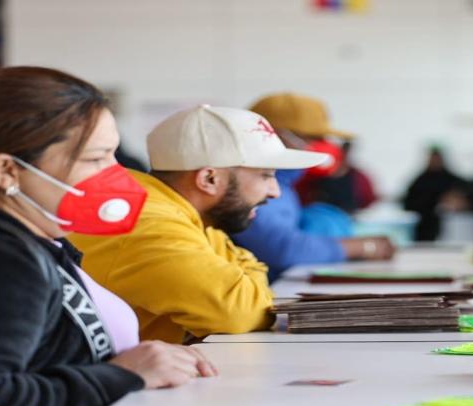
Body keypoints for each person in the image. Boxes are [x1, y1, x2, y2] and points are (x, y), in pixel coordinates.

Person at [0, 67, 215, 406]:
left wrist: (143, 360)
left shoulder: (37, 239)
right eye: (96, 158)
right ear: (7, 170)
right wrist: (123, 375)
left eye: (113, 155)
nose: (117, 175)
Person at [69, 105, 328, 344]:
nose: (275, 192)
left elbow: (248, 280)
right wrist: (248, 282)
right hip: (117, 390)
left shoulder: (190, 215)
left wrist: (248, 282)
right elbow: (239, 314)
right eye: (266, 176)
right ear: (209, 178)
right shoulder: (146, 222)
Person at [231, 93, 395, 280]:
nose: (322, 146)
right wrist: (363, 247)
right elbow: (282, 248)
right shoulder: (249, 184)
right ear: (274, 135)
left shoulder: (284, 184)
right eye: (312, 138)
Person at [402, 145, 469, 241]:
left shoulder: (452, 180)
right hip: (425, 232)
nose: (435, 161)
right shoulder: (419, 182)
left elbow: (468, 193)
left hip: (454, 232)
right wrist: (437, 202)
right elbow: (410, 204)